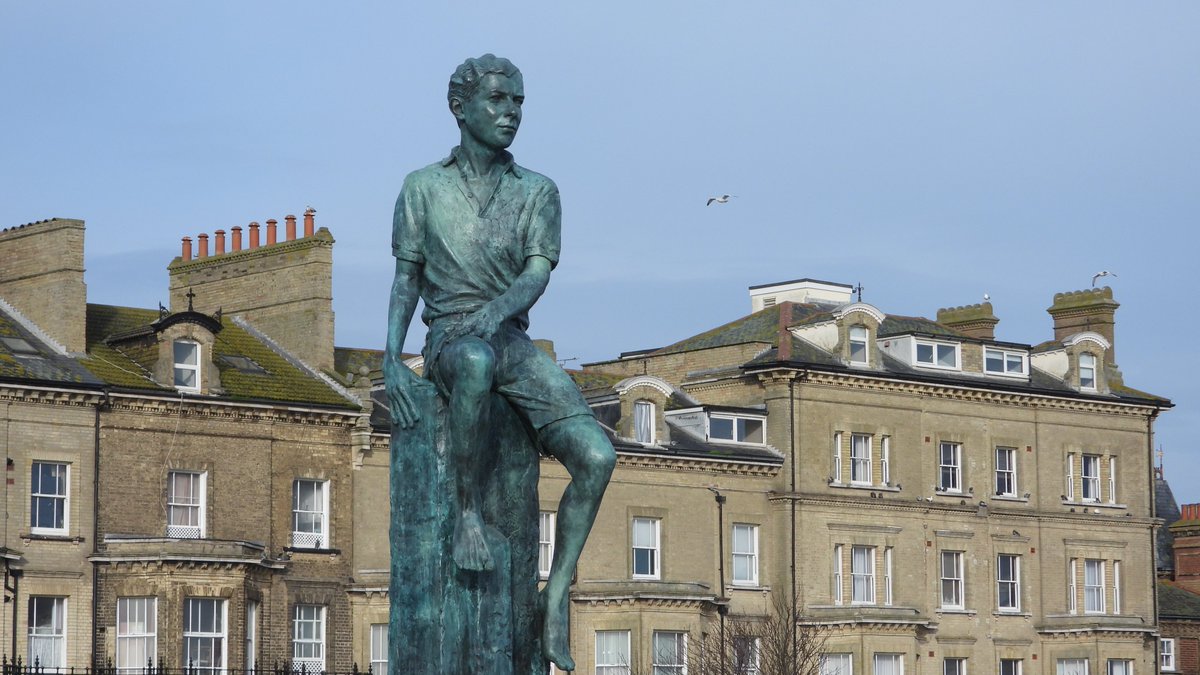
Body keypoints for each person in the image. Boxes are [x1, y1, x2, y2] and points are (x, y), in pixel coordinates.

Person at [383, 54, 615, 672]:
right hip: (451, 339)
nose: (510, 113)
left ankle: (557, 587)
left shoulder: (537, 191)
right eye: (497, 101)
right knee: (476, 362)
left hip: (508, 338)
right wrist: (389, 361)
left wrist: (497, 312)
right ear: (460, 108)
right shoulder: (422, 188)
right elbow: (406, 281)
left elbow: (538, 271)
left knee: (597, 455)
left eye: (517, 102)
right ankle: (466, 516)